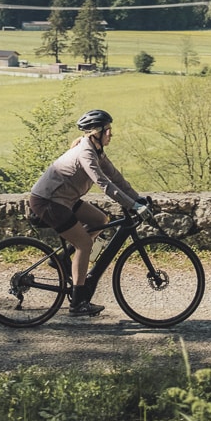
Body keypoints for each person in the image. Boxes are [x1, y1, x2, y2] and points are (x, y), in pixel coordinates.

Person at [28, 109, 150, 316]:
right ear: (95, 132)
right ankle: (77, 303)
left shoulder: (97, 151)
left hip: (64, 200)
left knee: (100, 219)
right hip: (48, 202)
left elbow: (116, 178)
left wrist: (137, 198)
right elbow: (104, 184)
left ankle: (63, 259)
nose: (111, 134)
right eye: (108, 130)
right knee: (84, 243)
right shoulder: (85, 152)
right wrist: (133, 206)